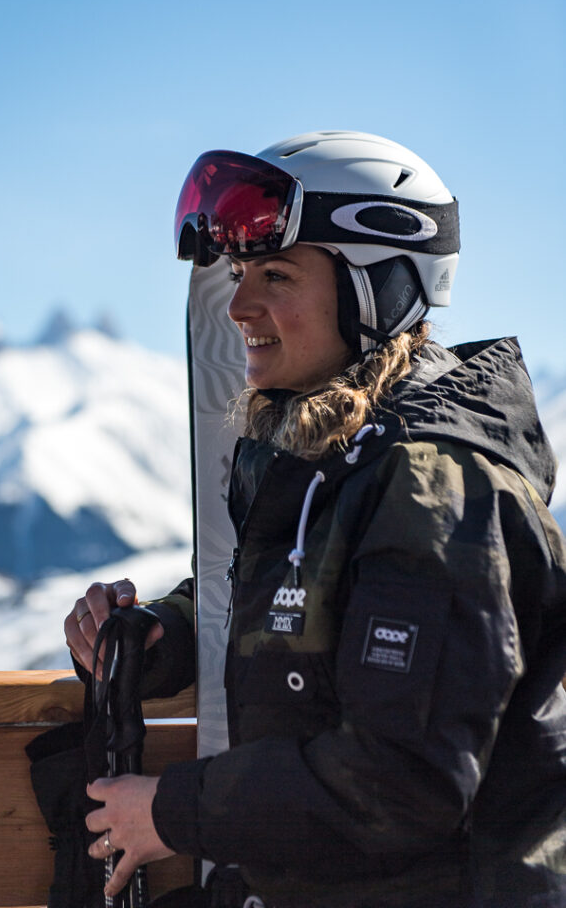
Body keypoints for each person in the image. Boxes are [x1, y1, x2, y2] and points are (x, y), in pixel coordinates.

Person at [64, 132, 566, 908]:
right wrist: (164, 636)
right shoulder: (330, 459)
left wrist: (173, 811)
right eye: (236, 275)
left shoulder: (436, 486)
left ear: (380, 289)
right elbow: (318, 603)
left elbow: (401, 781)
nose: (238, 307)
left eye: (275, 275)